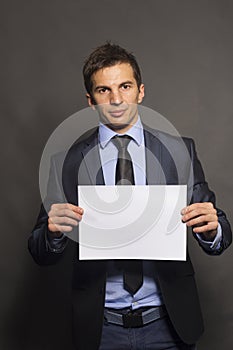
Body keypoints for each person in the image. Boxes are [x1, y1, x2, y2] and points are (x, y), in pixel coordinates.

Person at [28, 43, 232, 350]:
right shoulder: (66, 162)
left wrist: (213, 229)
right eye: (103, 90)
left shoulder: (179, 151)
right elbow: (39, 251)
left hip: (169, 323)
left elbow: (222, 235)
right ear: (90, 101)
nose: (116, 99)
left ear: (140, 91)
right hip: (100, 328)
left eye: (125, 86)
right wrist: (54, 233)